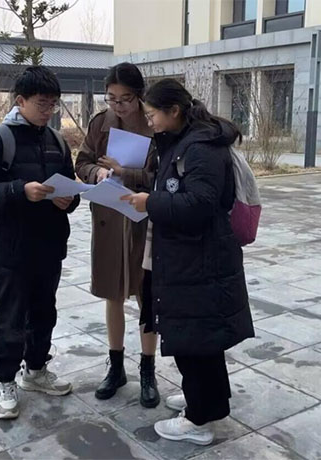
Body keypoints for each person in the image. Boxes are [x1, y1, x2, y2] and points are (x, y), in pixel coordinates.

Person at [122, 79, 255, 445]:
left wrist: (150, 203)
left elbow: (200, 204)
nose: (149, 121)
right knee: (198, 339)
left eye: (152, 114)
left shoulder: (199, 148)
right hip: (188, 257)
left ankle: (198, 420)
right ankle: (207, 400)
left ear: (174, 111)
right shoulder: (183, 140)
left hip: (198, 260)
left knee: (195, 339)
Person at [0, 66, 80, 420]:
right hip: (10, 250)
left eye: (53, 105)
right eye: (42, 104)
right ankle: (5, 381)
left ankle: (36, 370)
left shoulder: (57, 141)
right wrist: (20, 190)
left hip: (48, 246)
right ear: (21, 101)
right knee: (9, 318)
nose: (48, 111)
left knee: (44, 313)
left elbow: (71, 186)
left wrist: (68, 201)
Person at [75, 62, 160, 408]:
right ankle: (115, 367)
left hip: (144, 219)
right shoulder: (101, 123)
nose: (118, 106)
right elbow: (82, 162)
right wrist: (96, 173)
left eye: (125, 99)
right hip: (109, 218)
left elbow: (163, 175)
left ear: (139, 96)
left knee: (146, 296)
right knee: (112, 293)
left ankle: (148, 371)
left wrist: (128, 173)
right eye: (111, 98)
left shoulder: (154, 124)